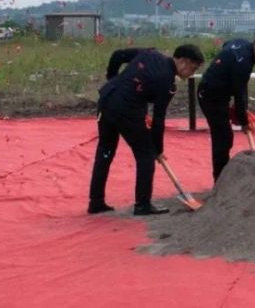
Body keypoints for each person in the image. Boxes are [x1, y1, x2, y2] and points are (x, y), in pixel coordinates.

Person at [87, 44, 205, 215]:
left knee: (105, 151)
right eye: (192, 69)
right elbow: (158, 120)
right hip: (126, 110)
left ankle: (95, 202)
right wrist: (157, 149)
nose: (191, 74)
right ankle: (143, 204)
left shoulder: (149, 53)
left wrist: (112, 79)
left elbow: (118, 54)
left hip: (107, 100)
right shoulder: (168, 82)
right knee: (145, 154)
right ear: (183, 62)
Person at [198, 33, 255, 182]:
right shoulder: (244, 64)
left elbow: (226, 46)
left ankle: (222, 176)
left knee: (224, 136)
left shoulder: (240, 42)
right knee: (223, 137)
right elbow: (239, 94)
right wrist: (244, 122)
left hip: (219, 93)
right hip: (210, 96)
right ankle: (220, 180)